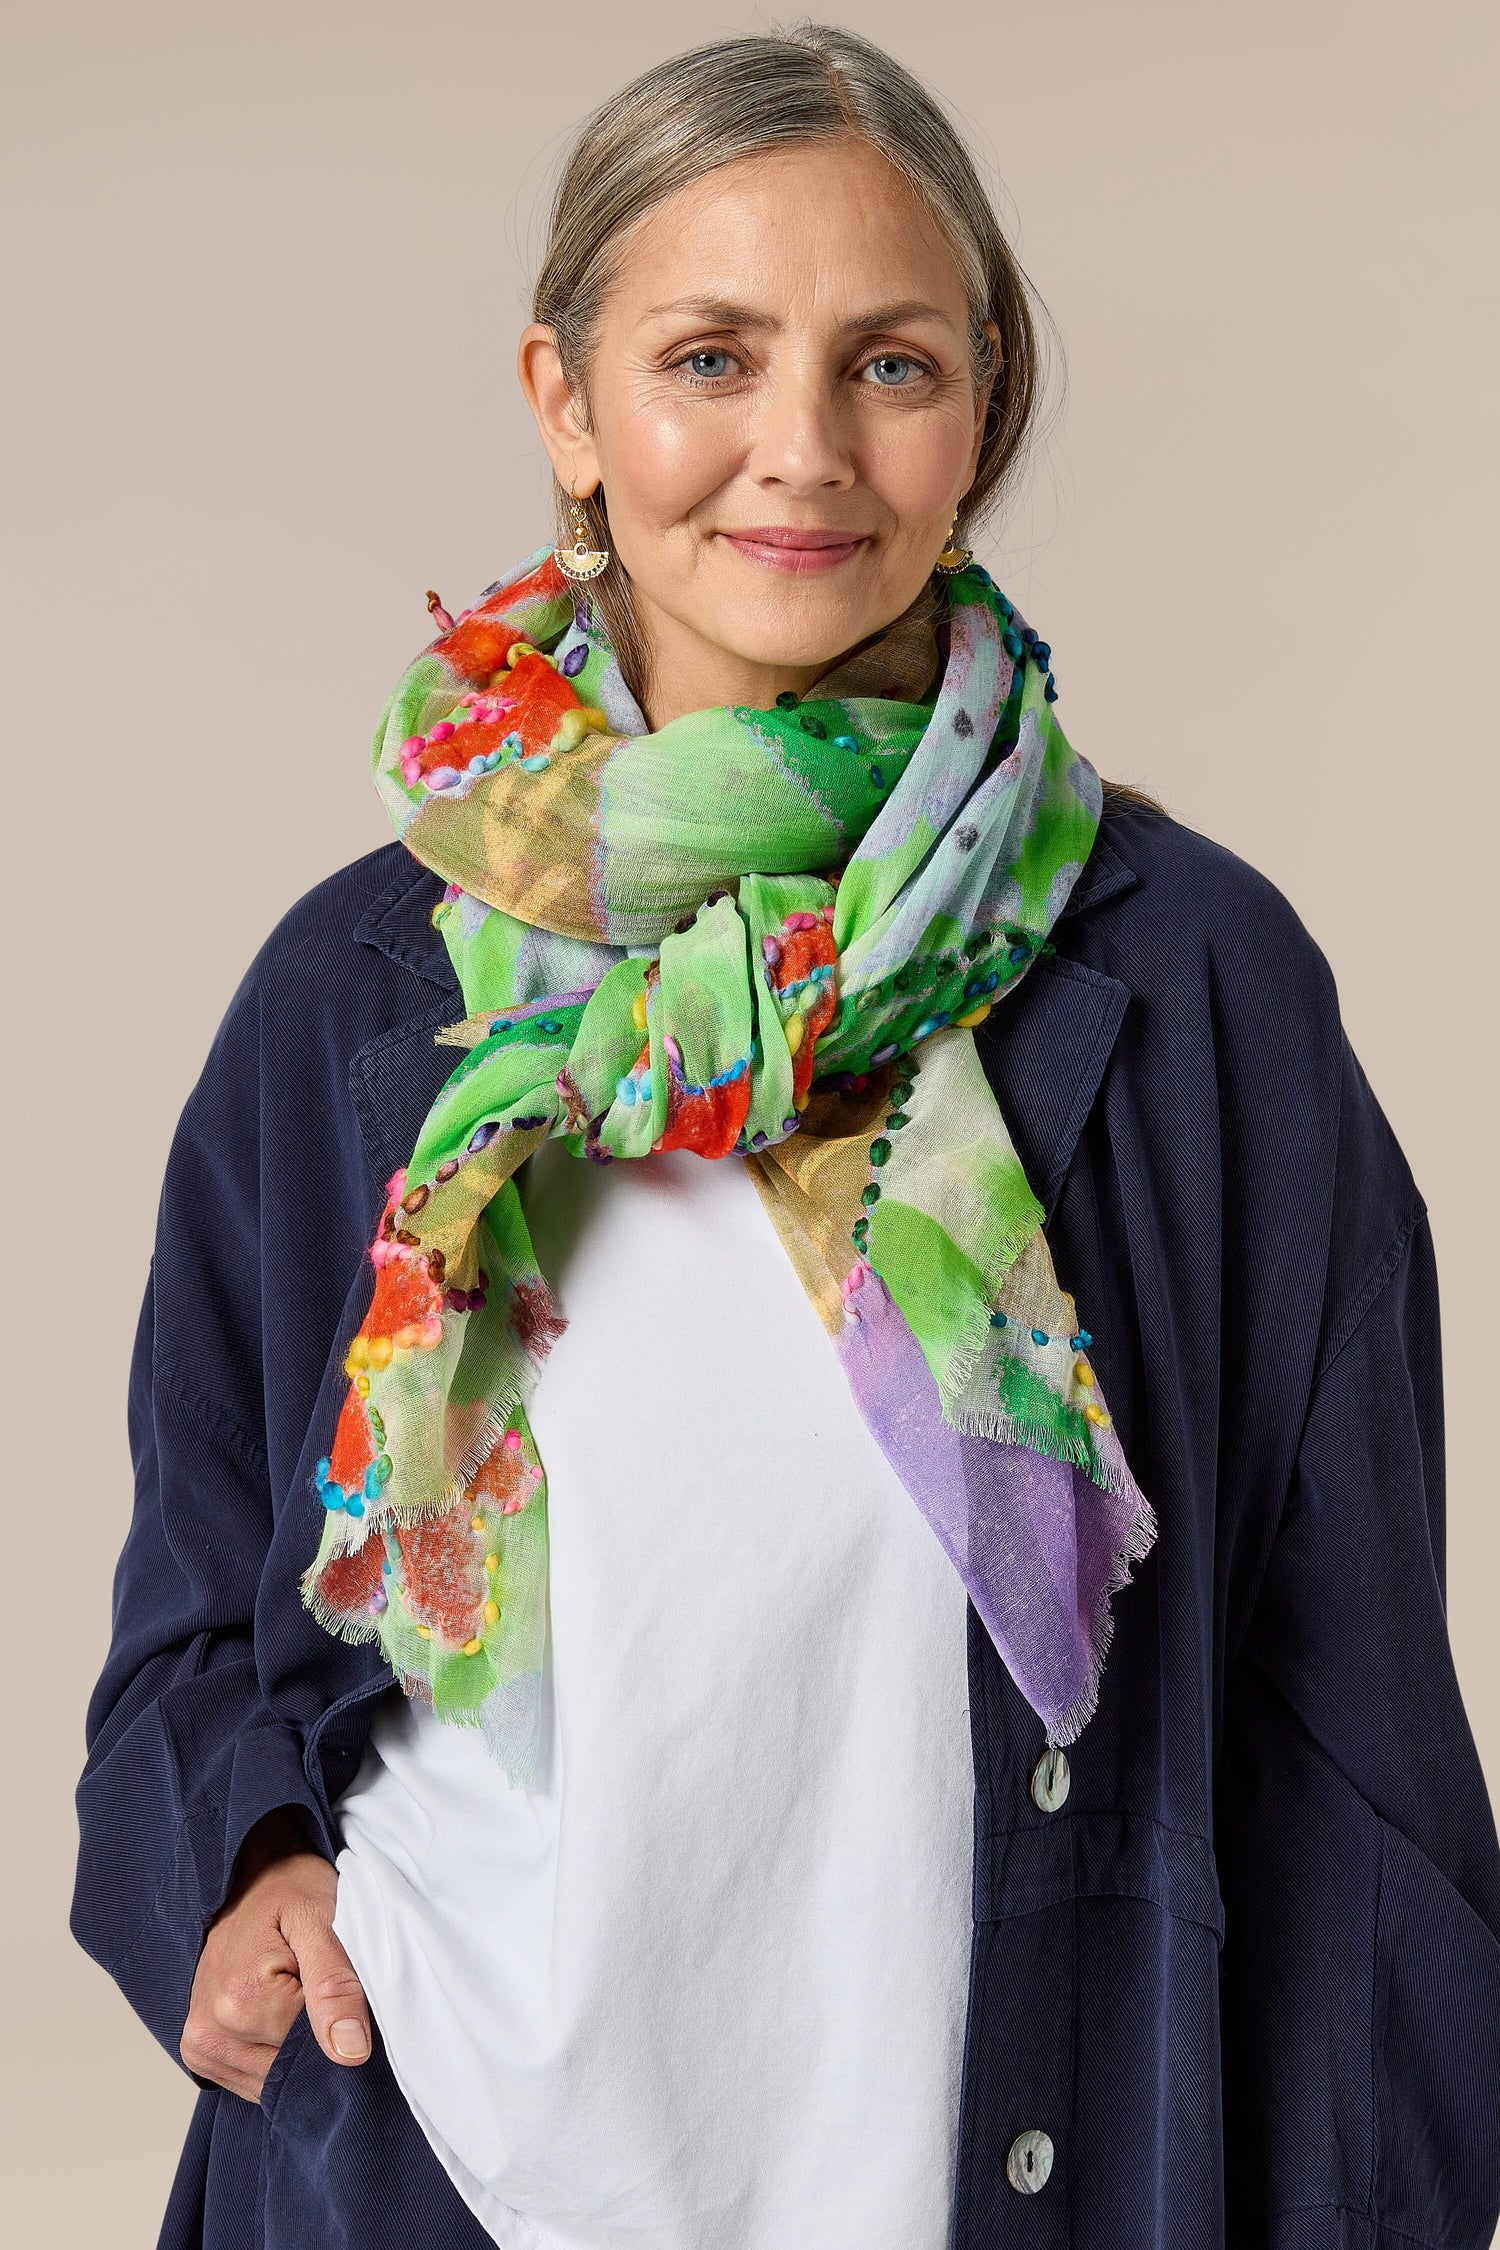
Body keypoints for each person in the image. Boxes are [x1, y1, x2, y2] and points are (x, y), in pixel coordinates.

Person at [70, 23, 1500, 2250]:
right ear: (567, 400)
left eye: (892, 364)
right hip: (427, 2176)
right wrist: (242, 1867)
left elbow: (1355, 1758)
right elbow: (194, 1646)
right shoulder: (359, 1002)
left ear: (987, 398)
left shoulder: (1200, 990)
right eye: (711, 357)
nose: (799, 453)